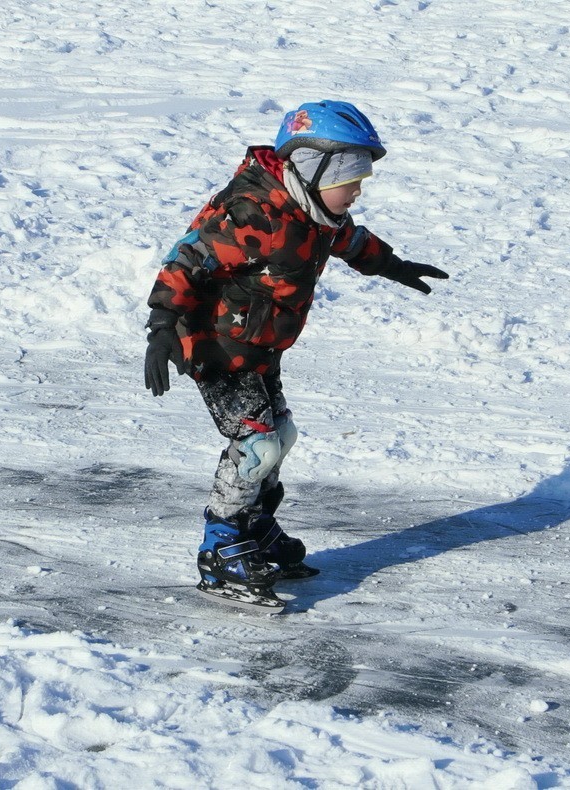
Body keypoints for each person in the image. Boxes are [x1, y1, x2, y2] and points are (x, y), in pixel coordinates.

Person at [143, 100, 448, 609]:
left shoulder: (314, 211)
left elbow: (347, 239)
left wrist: (391, 265)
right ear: (311, 168)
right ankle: (221, 546)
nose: (357, 189)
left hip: (259, 342)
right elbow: (186, 259)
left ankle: (256, 527)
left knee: (278, 436)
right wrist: (159, 329)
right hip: (213, 343)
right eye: (350, 176)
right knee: (257, 442)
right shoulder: (253, 212)